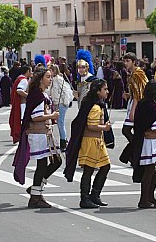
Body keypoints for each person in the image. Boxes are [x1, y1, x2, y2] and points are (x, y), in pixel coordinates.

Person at [13, 68, 61, 208]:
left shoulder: (40, 94)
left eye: (51, 76)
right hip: (37, 133)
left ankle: (36, 188)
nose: (50, 79)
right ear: (40, 79)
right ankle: (35, 195)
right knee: (42, 164)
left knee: (55, 161)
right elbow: (36, 117)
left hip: (43, 132)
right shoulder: (38, 96)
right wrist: (51, 116)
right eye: (47, 77)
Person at [65, 79, 112, 208]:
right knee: (89, 170)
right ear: (98, 91)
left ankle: (94, 195)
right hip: (91, 141)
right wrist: (105, 128)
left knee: (105, 166)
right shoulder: (96, 107)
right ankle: (85, 198)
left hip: (97, 141)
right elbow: (91, 125)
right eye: (105, 89)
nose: (107, 92)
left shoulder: (95, 104)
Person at [132, 81, 156, 208]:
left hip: (151, 140)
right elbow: (152, 125)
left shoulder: (145, 104)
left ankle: (150, 195)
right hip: (149, 141)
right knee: (149, 170)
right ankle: (144, 199)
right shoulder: (151, 106)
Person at [48, 64, 74, 150]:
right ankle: (63, 140)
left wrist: (65, 102)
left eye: (50, 70)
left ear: (54, 71)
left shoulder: (58, 79)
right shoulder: (53, 80)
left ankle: (64, 141)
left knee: (60, 123)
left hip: (61, 103)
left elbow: (66, 90)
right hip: (56, 103)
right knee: (59, 123)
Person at [9, 65, 32, 143]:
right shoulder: (23, 80)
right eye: (30, 71)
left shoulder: (19, 78)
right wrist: (29, 96)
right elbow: (19, 90)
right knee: (23, 123)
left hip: (20, 104)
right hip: (22, 104)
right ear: (28, 71)